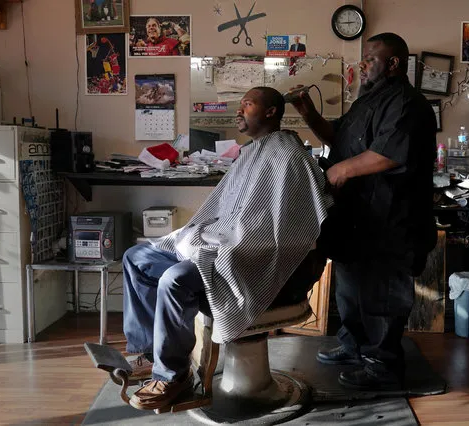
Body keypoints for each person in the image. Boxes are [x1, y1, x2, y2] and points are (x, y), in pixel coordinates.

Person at [122, 86, 333, 410]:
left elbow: (286, 229)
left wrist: (233, 243)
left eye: (247, 104)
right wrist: (202, 236)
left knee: (174, 279)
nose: (239, 110)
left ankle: (172, 375)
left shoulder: (289, 154)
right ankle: (149, 353)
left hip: (248, 256)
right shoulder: (250, 152)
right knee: (135, 257)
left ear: (270, 112)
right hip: (222, 241)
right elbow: (226, 212)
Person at [289, 32, 437, 390]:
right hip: (357, 218)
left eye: (370, 59)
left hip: (391, 221)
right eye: (363, 58)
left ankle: (383, 365)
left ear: (394, 64)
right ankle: (354, 347)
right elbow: (336, 138)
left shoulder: (408, 104)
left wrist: (339, 171)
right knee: (351, 290)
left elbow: (388, 153)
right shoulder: (366, 101)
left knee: (382, 296)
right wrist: (308, 113)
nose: (363, 64)